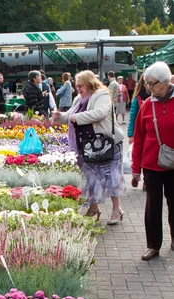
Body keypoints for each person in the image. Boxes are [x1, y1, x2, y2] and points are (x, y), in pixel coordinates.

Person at [52, 70, 125, 225]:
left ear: (89, 83)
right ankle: (93, 208)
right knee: (91, 176)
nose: (78, 88)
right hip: (88, 144)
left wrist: (74, 118)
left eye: (80, 85)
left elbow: (99, 113)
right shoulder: (79, 98)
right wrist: (60, 117)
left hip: (107, 142)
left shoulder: (102, 95)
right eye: (76, 86)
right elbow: (71, 117)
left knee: (111, 177)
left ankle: (116, 210)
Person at [131, 61, 174, 261]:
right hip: (151, 165)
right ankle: (153, 246)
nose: (147, 87)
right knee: (152, 207)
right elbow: (138, 138)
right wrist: (135, 170)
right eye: (146, 83)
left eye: (152, 83)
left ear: (165, 82)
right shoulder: (147, 105)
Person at [128, 74, 150, 144]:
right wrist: (131, 135)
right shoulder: (138, 99)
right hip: (141, 133)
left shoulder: (159, 97)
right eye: (150, 83)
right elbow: (132, 117)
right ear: (145, 85)